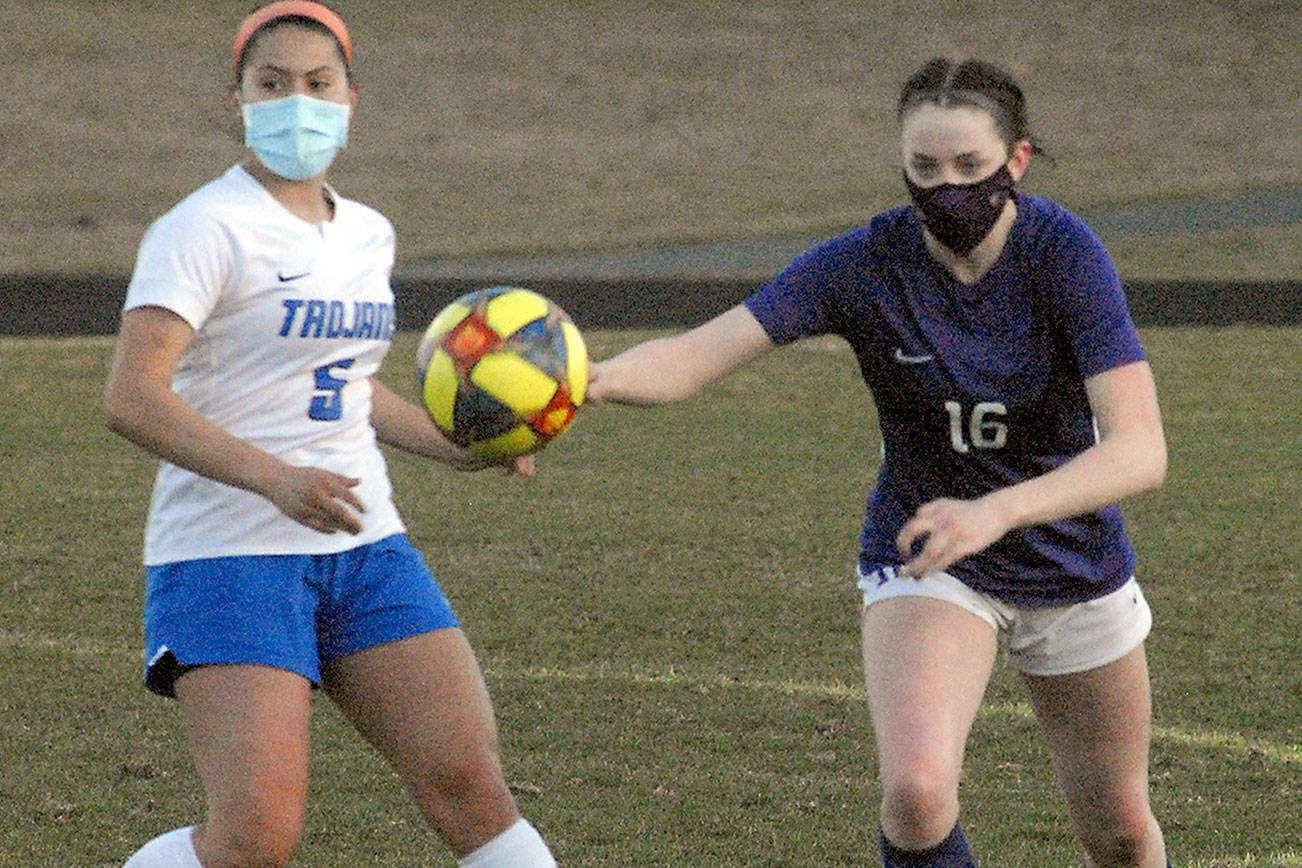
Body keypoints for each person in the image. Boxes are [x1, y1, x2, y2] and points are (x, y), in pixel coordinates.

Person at [589, 57, 1173, 868]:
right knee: (918, 793)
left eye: (969, 166)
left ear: (1017, 160)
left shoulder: (1064, 256)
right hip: (928, 557)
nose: (947, 188)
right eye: (924, 168)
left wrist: (995, 511)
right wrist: (589, 379)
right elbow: (694, 357)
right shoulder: (863, 264)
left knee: (1120, 833)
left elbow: (1141, 451)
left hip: (1070, 560)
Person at [102, 3, 556, 866]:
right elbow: (132, 396)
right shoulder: (202, 227)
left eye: (318, 83)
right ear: (238, 98)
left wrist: (458, 443)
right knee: (253, 840)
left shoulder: (367, 233)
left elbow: (347, 385)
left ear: (351, 98)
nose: (297, 103)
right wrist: (275, 479)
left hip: (365, 543)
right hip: (229, 554)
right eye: (272, 84)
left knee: (471, 788)